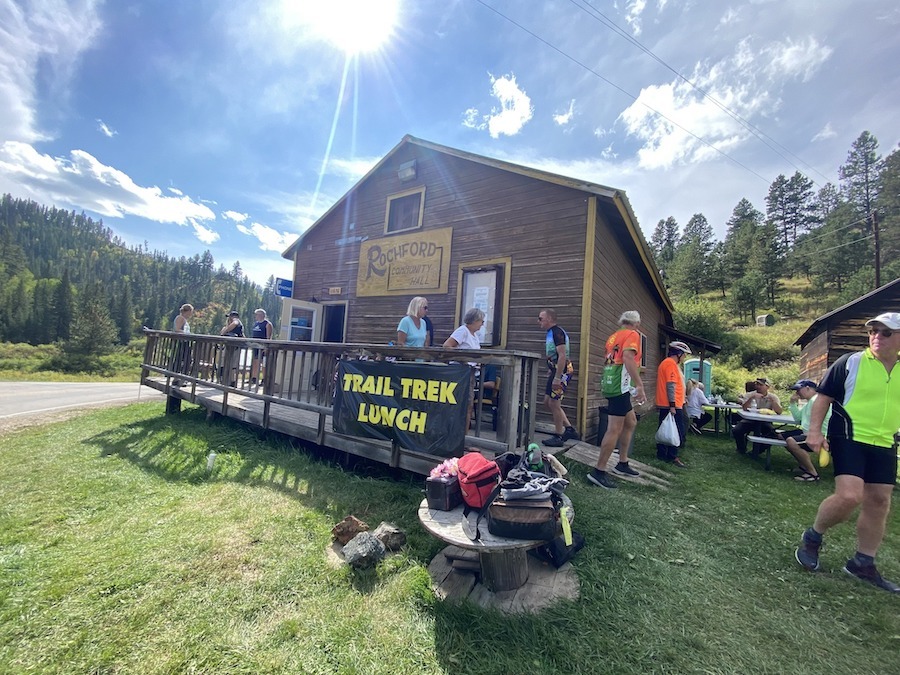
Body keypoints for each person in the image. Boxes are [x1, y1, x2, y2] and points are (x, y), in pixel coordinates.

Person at [795, 312, 900, 593]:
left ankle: (862, 562)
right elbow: (824, 397)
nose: (877, 336)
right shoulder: (850, 362)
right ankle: (813, 537)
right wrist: (814, 431)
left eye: (886, 332)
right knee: (850, 495)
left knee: (879, 501)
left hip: (885, 442)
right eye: (873, 331)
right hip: (849, 436)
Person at [588, 310, 646, 489]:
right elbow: (628, 358)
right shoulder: (633, 334)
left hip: (611, 381)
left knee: (631, 421)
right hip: (620, 385)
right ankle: (599, 471)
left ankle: (622, 463)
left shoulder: (614, 336)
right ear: (636, 323)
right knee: (614, 429)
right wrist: (640, 385)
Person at [537, 309, 580, 448]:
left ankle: (558, 436)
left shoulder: (557, 332)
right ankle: (569, 429)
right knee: (547, 402)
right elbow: (554, 355)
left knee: (554, 403)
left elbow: (562, 356)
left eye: (540, 318)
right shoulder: (550, 333)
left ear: (549, 319)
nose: (539, 321)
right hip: (556, 371)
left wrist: (557, 377)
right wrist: (551, 370)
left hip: (563, 372)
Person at [779, 379, 831, 482]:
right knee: (781, 436)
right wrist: (793, 404)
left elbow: (826, 420)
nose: (796, 393)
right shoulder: (810, 402)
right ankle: (803, 466)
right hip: (807, 432)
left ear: (808, 388)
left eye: (798, 390)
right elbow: (798, 418)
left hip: (820, 435)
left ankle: (812, 473)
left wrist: (821, 435)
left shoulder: (817, 400)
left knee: (791, 441)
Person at [443, 308, 485, 431]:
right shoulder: (463, 331)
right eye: (481, 321)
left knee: (468, 404)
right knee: (459, 404)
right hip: (460, 371)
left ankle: (464, 437)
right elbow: (447, 346)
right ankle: (453, 434)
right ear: (475, 320)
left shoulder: (475, 336)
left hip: (471, 372)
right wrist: (464, 359)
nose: (482, 324)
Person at [655, 341, 692, 467]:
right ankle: (672, 456)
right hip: (671, 404)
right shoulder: (670, 364)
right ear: (679, 353)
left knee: (665, 429)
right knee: (677, 430)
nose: (684, 357)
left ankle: (662, 453)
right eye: (684, 355)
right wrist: (672, 405)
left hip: (671, 403)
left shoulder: (669, 363)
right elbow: (671, 386)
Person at [732, 377, 783, 455]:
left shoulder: (773, 397)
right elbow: (744, 408)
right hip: (749, 420)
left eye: (761, 385)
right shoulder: (750, 394)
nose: (758, 386)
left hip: (765, 422)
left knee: (772, 434)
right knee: (737, 430)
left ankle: (756, 451)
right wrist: (752, 398)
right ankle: (741, 449)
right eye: (757, 384)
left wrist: (773, 401)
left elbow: (779, 412)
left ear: (767, 387)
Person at [219, 310, 244, 387]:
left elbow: (235, 323)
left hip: (234, 346)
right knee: (227, 362)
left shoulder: (236, 321)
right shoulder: (232, 326)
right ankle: (227, 380)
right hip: (230, 346)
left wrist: (224, 332)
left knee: (232, 363)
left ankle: (231, 380)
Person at [171, 303, 193, 386]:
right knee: (184, 359)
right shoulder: (180, 318)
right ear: (187, 311)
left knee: (185, 359)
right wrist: (187, 334)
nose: (191, 314)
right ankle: (179, 378)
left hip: (185, 341)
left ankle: (179, 378)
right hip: (182, 341)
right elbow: (177, 329)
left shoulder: (183, 319)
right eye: (191, 312)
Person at [250, 308, 273, 386]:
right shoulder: (256, 323)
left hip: (263, 347)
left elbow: (269, 337)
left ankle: (264, 379)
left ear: (261, 315)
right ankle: (254, 378)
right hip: (255, 347)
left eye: (257, 314)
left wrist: (266, 347)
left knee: (264, 364)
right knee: (255, 362)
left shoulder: (267, 324)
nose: (255, 316)